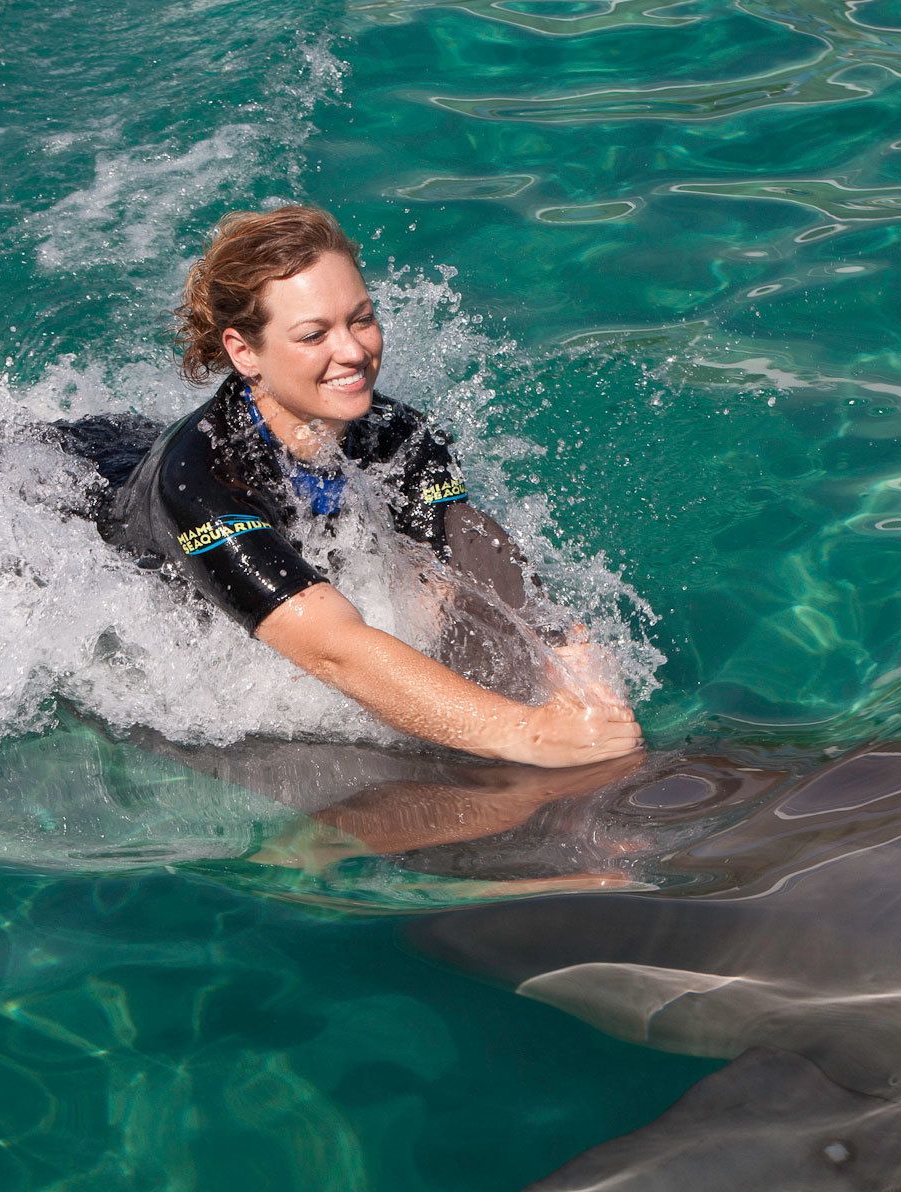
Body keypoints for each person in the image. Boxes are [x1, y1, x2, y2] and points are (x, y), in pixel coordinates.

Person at [69, 204, 643, 769]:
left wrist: (579, 675)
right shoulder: (202, 485)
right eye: (314, 334)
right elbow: (333, 649)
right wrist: (527, 734)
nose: (353, 352)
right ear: (244, 352)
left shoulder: (399, 434)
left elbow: (460, 555)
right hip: (73, 487)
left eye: (361, 319)